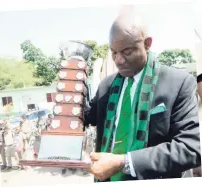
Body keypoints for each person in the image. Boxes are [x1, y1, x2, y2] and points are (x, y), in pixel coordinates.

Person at [84, 12, 201, 182]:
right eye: (114, 52)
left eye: (127, 51)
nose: (118, 60)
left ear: (147, 44)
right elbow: (86, 118)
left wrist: (123, 162)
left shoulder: (179, 83)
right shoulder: (106, 87)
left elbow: (189, 149)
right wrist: (71, 93)